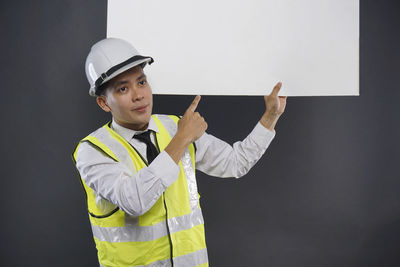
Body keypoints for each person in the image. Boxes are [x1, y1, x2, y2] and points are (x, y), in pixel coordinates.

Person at [72, 38, 287, 267]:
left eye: (142, 82)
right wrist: (182, 138)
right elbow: (134, 200)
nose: (138, 95)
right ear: (104, 103)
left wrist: (271, 116)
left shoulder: (174, 126)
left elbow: (236, 163)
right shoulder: (92, 151)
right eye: (123, 88)